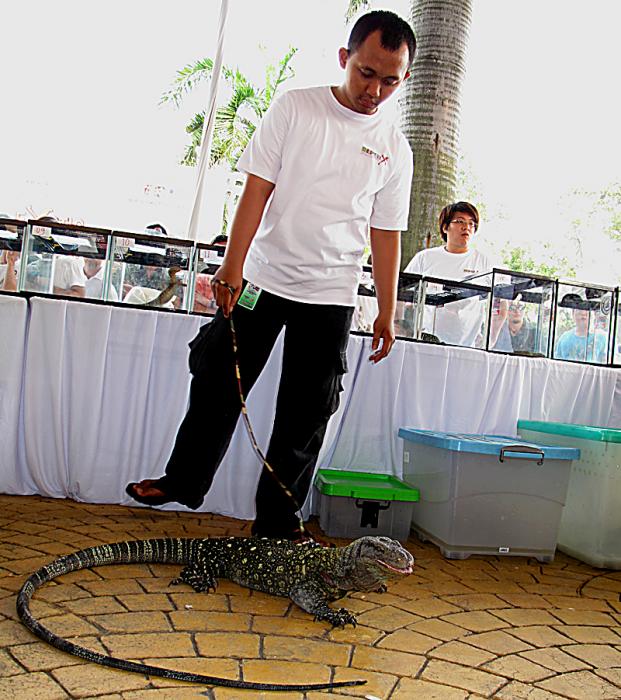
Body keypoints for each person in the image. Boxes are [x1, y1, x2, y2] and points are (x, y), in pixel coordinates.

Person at [126, 10, 416, 540]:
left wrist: (388, 310)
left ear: (404, 79)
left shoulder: (396, 148)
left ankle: (277, 524)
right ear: (344, 59)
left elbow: (386, 233)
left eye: (390, 80)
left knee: (306, 416)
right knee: (216, 377)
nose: (376, 89)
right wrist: (232, 263)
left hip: (331, 295)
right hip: (262, 278)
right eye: (367, 73)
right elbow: (257, 187)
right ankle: (184, 481)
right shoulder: (296, 107)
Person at [404, 201, 505, 346]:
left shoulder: (485, 262)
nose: (467, 227)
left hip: (467, 346)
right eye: (460, 221)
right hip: (426, 342)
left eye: (472, 223)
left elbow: (502, 302)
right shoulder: (424, 258)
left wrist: (491, 339)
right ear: (445, 227)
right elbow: (402, 297)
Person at [555, 294, 608, 363]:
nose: (583, 315)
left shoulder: (602, 338)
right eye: (579, 312)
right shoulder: (564, 339)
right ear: (573, 315)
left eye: (586, 313)